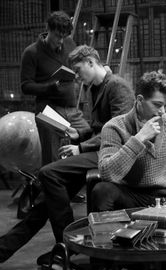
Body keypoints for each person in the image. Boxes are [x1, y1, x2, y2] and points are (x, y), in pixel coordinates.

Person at [0, 45, 135, 265]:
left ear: (91, 62)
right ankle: (4, 249)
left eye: (79, 70)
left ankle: (69, 245)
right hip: (99, 150)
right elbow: (97, 128)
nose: (78, 77)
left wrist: (81, 148)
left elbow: (120, 132)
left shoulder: (117, 87)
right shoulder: (95, 88)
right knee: (47, 199)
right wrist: (78, 133)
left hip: (113, 154)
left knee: (48, 173)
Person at [91, 71, 166, 212]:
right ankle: (107, 234)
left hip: (163, 195)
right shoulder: (114, 127)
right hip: (128, 195)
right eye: (157, 104)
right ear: (140, 100)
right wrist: (139, 138)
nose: (162, 111)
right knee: (102, 190)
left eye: (165, 105)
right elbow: (107, 173)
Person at [20, 11, 91, 165]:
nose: (61, 41)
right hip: (48, 110)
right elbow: (25, 86)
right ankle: (50, 185)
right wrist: (48, 88)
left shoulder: (69, 43)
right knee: (52, 159)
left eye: (64, 36)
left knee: (89, 136)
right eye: (58, 36)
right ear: (48, 30)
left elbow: (84, 60)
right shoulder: (31, 53)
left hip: (71, 109)